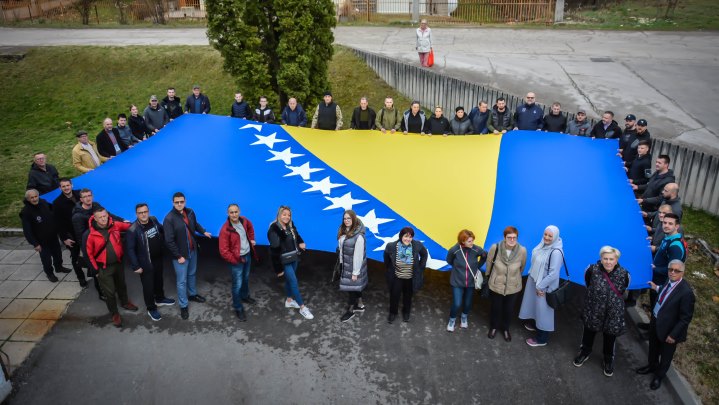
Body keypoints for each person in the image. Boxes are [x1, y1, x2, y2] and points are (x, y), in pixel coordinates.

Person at [572, 246, 630, 377]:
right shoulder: (592, 270)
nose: (608, 262)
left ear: (616, 260)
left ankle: (608, 359)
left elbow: (625, 290)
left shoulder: (625, 274)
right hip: (593, 309)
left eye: (611, 259)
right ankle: (584, 352)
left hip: (613, 314)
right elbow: (587, 284)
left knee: (610, 337)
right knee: (589, 332)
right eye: (605, 259)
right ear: (601, 259)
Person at [637, 260, 695, 390]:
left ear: (683, 273)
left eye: (676, 271)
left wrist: (673, 334)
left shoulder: (686, 293)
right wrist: (656, 287)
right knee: (653, 348)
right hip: (656, 322)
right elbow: (666, 293)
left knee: (665, 356)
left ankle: (659, 376)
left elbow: (685, 318)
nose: (673, 273)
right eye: (670, 270)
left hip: (670, 330)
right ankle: (651, 366)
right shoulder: (669, 281)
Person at [85, 207, 138, 328]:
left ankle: (125, 302)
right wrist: (96, 270)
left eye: (105, 216)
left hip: (118, 263)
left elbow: (130, 226)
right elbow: (89, 254)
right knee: (109, 293)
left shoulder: (115, 225)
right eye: (100, 217)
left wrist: (141, 222)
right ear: (95, 218)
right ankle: (114, 313)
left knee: (121, 285)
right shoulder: (90, 234)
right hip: (103, 268)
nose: (103, 219)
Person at [163, 192, 212, 320]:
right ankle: (183, 306)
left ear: (185, 201)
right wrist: (178, 256)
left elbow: (195, 224)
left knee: (192, 274)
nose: (179, 204)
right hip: (181, 256)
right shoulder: (169, 219)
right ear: (173, 203)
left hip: (192, 250)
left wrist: (203, 231)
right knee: (181, 281)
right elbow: (169, 241)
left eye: (181, 202)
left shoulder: (190, 212)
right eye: (176, 202)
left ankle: (192, 294)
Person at [72, 188, 126, 301]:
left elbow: (109, 215)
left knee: (109, 274)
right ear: (81, 199)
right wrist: (88, 254)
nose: (88, 198)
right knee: (97, 274)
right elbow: (81, 237)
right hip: (94, 247)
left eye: (89, 195)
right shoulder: (78, 217)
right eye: (85, 196)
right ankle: (102, 294)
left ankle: (111, 289)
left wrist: (122, 220)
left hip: (103, 241)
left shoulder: (96, 205)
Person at [126, 203, 176, 322]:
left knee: (159, 280)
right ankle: (151, 308)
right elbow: (130, 249)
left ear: (148, 211)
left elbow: (162, 229)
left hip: (158, 258)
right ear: (136, 214)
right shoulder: (133, 230)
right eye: (140, 213)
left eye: (145, 212)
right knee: (148, 286)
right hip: (145, 263)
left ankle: (159, 298)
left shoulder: (153, 219)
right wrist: (135, 265)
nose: (143, 214)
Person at [519, 225, 564, 347]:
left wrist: (541, 287)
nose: (547, 238)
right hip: (536, 281)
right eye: (545, 234)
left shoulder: (555, 252)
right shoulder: (543, 246)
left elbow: (553, 274)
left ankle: (541, 339)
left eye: (550, 236)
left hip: (544, 286)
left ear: (555, 237)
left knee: (544, 312)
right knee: (537, 307)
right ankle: (536, 324)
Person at [267, 205, 313, 319]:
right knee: (293, 281)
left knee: (289, 280)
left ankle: (289, 300)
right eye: (284, 214)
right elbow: (274, 250)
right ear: (279, 215)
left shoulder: (290, 225)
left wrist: (301, 242)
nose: (287, 217)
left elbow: (296, 235)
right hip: (284, 260)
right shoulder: (274, 229)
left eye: (289, 215)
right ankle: (303, 307)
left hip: (293, 257)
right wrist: (278, 269)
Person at [485, 226, 527, 342]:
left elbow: (522, 267)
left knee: (508, 310)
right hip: (496, 284)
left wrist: (512, 278)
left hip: (513, 286)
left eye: (515, 237)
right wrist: (489, 278)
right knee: (496, 308)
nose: (512, 240)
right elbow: (489, 264)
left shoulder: (522, 250)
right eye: (509, 237)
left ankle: (505, 329)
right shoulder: (495, 247)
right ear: (504, 237)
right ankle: (493, 327)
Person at [20, 189, 71, 282]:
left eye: (36, 196)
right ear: (28, 199)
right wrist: (35, 244)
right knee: (46, 259)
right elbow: (27, 231)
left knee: (58, 254)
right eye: (32, 198)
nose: (35, 199)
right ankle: (49, 274)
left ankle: (59, 267)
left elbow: (53, 212)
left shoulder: (43, 202)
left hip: (53, 237)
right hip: (41, 241)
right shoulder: (26, 212)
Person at [218, 204, 258, 322]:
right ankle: (238, 307)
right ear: (228, 213)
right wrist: (236, 260)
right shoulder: (225, 229)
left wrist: (251, 240)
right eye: (231, 212)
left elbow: (250, 228)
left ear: (239, 211)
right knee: (237, 285)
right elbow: (224, 251)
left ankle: (245, 297)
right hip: (237, 260)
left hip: (247, 255)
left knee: (245, 278)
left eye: (236, 212)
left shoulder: (244, 221)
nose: (234, 214)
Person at [384, 227, 428, 323]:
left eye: (410, 237)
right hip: (397, 277)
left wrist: (421, 267)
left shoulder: (417, 245)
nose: (408, 239)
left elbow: (424, 254)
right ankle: (393, 313)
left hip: (410, 278)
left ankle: (406, 312)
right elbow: (386, 257)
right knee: (394, 296)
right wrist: (389, 269)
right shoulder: (391, 246)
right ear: (401, 236)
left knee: (408, 296)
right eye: (406, 236)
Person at [445, 230, 487, 332]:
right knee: (457, 303)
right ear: (463, 241)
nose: (472, 243)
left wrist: (477, 266)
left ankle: (464, 317)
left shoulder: (476, 249)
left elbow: (484, 255)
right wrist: (458, 269)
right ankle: (452, 320)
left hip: (471, 282)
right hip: (457, 282)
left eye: (472, 240)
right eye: (469, 241)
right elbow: (449, 260)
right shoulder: (454, 250)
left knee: (468, 303)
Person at [52, 178, 88, 288]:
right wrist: (64, 238)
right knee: (75, 257)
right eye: (63, 186)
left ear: (71, 185)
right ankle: (81, 278)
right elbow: (58, 223)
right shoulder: (57, 203)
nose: (66, 188)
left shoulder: (80, 194)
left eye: (68, 185)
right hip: (71, 235)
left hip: (85, 231)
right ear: (60, 188)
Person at [649, 213, 686, 311]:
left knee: (659, 308)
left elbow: (674, 270)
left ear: (676, 226)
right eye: (664, 223)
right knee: (653, 304)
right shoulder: (668, 237)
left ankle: (654, 325)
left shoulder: (675, 246)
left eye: (670, 223)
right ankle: (651, 325)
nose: (666, 225)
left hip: (663, 282)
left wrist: (655, 269)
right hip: (657, 278)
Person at [336, 210, 368, 322]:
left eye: (349, 218)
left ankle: (350, 311)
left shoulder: (358, 236)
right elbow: (341, 249)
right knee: (355, 287)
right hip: (344, 265)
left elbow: (358, 256)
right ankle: (360, 305)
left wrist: (355, 272)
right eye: (344, 218)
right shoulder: (343, 231)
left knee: (351, 289)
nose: (346, 220)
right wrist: (340, 263)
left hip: (353, 267)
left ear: (353, 219)